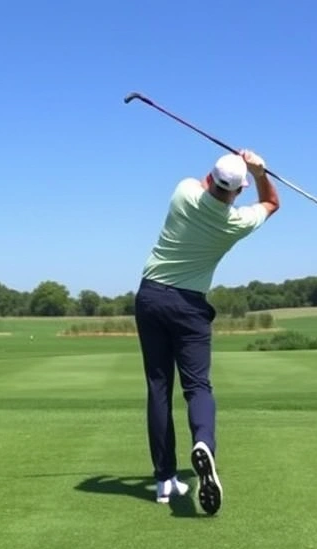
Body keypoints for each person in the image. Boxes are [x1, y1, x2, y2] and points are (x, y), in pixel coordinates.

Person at [134, 149, 280, 515]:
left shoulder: (183, 191)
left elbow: (204, 182)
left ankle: (164, 479)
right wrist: (259, 171)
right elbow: (272, 202)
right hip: (189, 307)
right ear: (238, 191)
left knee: (158, 386)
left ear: (211, 179)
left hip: (150, 296)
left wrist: (231, 160)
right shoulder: (237, 222)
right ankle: (203, 444)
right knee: (197, 386)